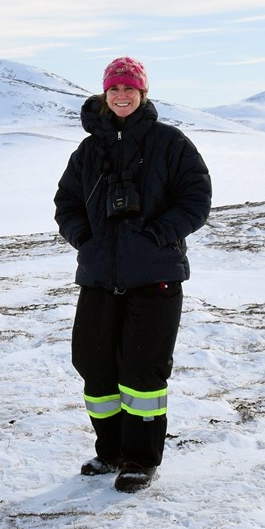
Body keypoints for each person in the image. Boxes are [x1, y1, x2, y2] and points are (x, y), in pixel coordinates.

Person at [53, 57, 212, 493]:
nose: (122, 96)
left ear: (143, 93)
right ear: (106, 95)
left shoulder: (170, 142)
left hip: (156, 277)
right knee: (94, 364)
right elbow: (65, 201)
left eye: (130, 89)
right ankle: (111, 451)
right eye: (114, 89)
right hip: (99, 276)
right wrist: (83, 238)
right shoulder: (87, 151)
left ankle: (141, 459)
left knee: (142, 371)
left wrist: (159, 234)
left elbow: (196, 198)